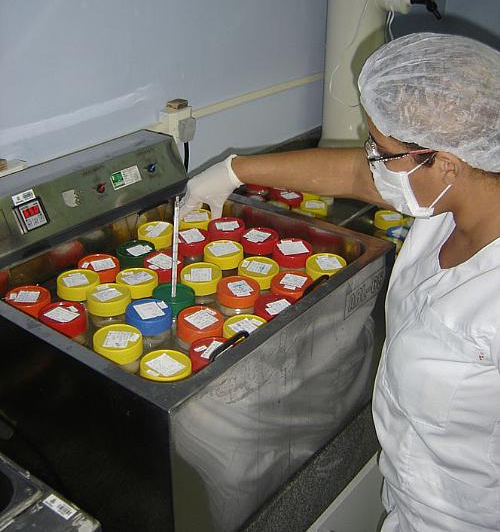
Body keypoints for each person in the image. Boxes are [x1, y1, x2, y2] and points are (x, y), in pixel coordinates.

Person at [180, 33, 500, 531]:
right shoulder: (452, 200)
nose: (371, 159)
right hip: (409, 494)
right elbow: (356, 175)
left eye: (382, 151)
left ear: (447, 164)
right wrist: (231, 171)